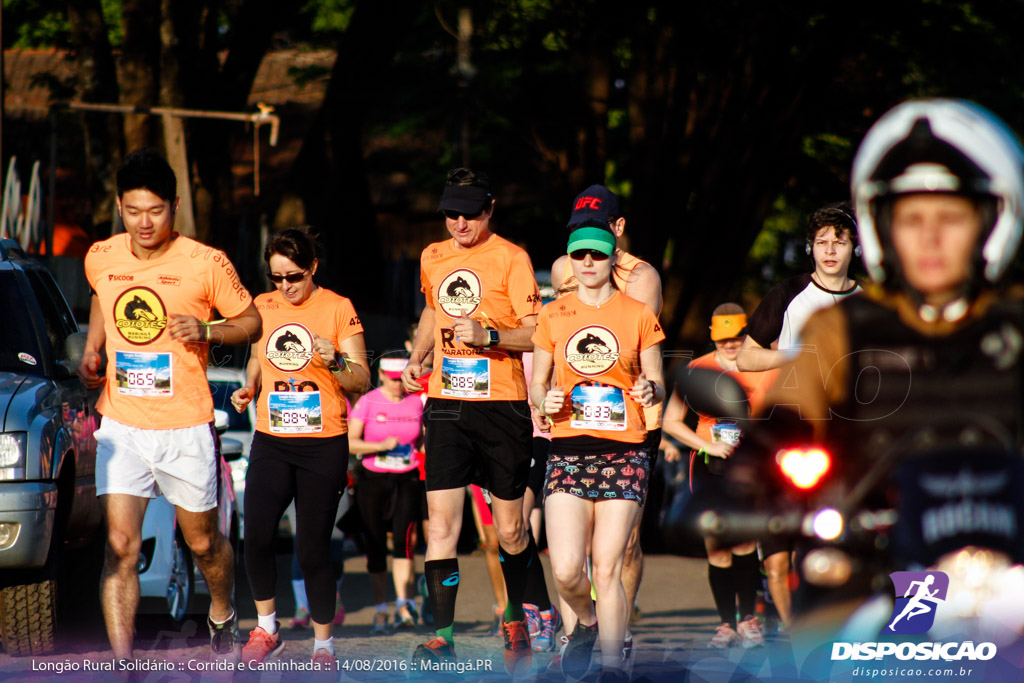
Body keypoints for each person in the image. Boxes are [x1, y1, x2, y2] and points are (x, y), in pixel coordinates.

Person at [758, 98, 1024, 625]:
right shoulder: (842, 326)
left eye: (950, 217)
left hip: (1012, 561)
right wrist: (743, 478)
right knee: (824, 647)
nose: (929, 237)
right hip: (877, 561)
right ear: (883, 225)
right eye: (910, 218)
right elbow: (783, 419)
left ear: (991, 220)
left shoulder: (1018, 324)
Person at [78, 149, 262, 661]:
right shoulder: (101, 255)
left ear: (174, 206)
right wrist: (94, 348)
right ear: (119, 206)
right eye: (133, 211)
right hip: (122, 423)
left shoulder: (206, 262)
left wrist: (206, 329)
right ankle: (122, 664)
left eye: (155, 211)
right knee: (120, 547)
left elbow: (251, 321)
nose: (143, 222)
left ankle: (222, 614)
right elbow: (100, 295)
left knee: (202, 543)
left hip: (185, 424)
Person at [400, 168, 552, 674]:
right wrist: (419, 357)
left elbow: (537, 334)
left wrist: (488, 336)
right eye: (451, 214)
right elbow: (431, 311)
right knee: (440, 525)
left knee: (509, 531)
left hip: (501, 406)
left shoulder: (512, 258)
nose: (460, 223)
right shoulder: (433, 256)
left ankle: (516, 615)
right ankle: (442, 637)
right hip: (445, 403)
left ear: (489, 211)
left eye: (469, 213)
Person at [531, 223, 665, 682]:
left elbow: (658, 380)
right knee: (568, 570)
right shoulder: (553, 314)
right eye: (579, 255)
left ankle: (613, 668)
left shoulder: (638, 313)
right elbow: (537, 383)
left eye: (597, 254)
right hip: (568, 450)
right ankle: (587, 623)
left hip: (624, 453)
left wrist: (651, 388)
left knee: (607, 567)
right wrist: (542, 400)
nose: (587, 262)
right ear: (570, 260)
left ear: (613, 259)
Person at [230, 227, 370, 666]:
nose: (285, 287)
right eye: (276, 278)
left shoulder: (337, 308)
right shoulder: (263, 306)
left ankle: (323, 645)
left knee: (311, 550)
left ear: (312, 268)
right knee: (254, 537)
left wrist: (337, 361)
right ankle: (266, 627)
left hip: (322, 443)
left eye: (294, 276)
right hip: (272, 439)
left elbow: (361, 382)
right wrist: (249, 388)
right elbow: (256, 357)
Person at [734, 202, 861, 628]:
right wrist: (797, 356)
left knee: (839, 552)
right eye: (821, 242)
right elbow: (747, 358)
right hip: (789, 436)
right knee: (777, 561)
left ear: (854, 249)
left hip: (848, 443)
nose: (829, 250)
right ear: (810, 248)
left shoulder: (870, 303)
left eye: (838, 242)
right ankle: (795, 645)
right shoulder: (787, 295)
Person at [662, 304, 774, 648]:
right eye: (723, 338)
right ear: (713, 336)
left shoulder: (765, 366)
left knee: (745, 542)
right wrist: (705, 445)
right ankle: (726, 624)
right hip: (709, 463)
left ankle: (748, 620)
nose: (729, 344)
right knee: (717, 544)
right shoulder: (698, 369)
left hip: (751, 465)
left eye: (736, 337)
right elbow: (671, 422)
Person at [347, 355, 425, 635]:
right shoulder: (368, 402)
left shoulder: (417, 401)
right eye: (392, 379)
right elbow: (350, 441)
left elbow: (424, 437)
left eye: (400, 379)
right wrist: (379, 445)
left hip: (407, 477)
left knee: (405, 541)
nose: (397, 384)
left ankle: (404, 605)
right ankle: (381, 609)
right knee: (376, 544)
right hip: (373, 479)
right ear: (381, 375)